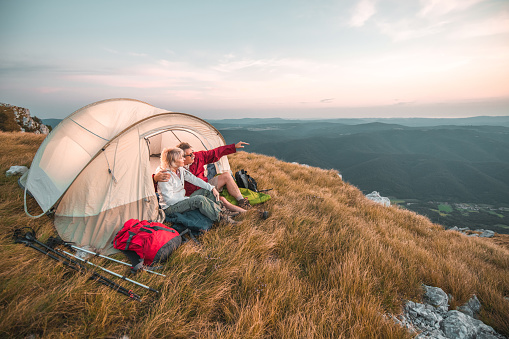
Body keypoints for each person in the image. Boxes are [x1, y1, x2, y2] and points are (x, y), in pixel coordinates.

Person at [154, 141, 252, 212]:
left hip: (204, 184)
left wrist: (233, 147)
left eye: (192, 152)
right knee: (221, 199)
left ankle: (241, 201)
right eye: (189, 155)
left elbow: (215, 153)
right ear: (180, 157)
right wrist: (154, 178)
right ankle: (233, 213)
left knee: (226, 176)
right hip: (189, 194)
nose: (193, 156)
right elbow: (162, 187)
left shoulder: (198, 157)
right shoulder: (172, 170)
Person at [155, 147, 236, 224]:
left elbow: (194, 179)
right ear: (173, 161)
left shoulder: (180, 170)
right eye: (181, 158)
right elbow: (169, 200)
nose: (184, 159)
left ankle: (221, 211)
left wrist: (212, 188)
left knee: (207, 191)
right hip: (170, 207)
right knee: (199, 199)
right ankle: (222, 219)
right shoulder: (165, 176)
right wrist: (186, 199)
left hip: (180, 200)